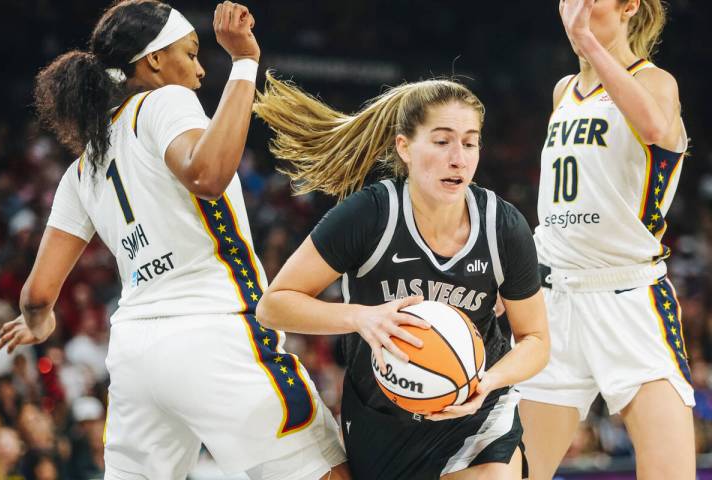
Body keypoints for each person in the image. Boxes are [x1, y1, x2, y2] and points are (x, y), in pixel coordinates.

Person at [0, 1, 348, 479]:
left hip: (135, 353)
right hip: (214, 331)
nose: (201, 70)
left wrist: (37, 324)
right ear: (154, 60)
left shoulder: (82, 169)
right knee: (323, 471)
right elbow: (206, 174)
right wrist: (244, 63)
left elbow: (36, 296)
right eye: (192, 53)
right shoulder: (164, 101)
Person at [253, 74, 550, 480]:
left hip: (475, 412)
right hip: (382, 414)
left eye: (470, 142)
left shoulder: (503, 226)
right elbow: (274, 305)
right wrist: (361, 317)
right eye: (442, 141)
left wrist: (487, 381)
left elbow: (536, 340)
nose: (458, 158)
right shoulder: (370, 215)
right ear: (404, 147)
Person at [516, 1, 694, 479]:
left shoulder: (657, 82)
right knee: (515, 473)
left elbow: (656, 127)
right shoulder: (563, 92)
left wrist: (591, 44)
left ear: (628, 6)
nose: (575, 7)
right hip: (555, 301)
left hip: (629, 298)